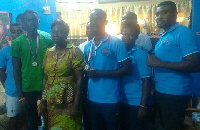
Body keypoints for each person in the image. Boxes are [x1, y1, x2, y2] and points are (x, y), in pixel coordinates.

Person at [147, 1, 200, 130]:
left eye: (164, 12)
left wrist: (160, 63)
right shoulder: (164, 35)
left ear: (175, 14)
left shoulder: (183, 32)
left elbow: (195, 65)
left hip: (175, 93)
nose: (159, 17)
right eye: (157, 14)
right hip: (162, 91)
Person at [84, 9, 131, 130]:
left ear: (106, 22)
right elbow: (86, 65)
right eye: (91, 19)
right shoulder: (88, 45)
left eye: (97, 19)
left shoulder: (116, 43)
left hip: (110, 99)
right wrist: (87, 69)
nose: (94, 22)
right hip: (92, 98)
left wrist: (100, 73)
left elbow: (127, 69)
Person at [10, 9, 54, 130]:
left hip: (46, 86)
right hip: (27, 88)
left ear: (39, 21)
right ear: (24, 23)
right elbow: (16, 69)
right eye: (28, 20)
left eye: (34, 19)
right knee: (31, 121)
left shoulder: (48, 40)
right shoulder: (17, 43)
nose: (32, 23)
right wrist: (20, 95)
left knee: (49, 118)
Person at [41, 19, 85, 129]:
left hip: (69, 100)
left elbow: (80, 80)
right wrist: (43, 100)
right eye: (54, 32)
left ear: (66, 33)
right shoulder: (48, 52)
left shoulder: (75, 52)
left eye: (59, 32)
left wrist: (75, 105)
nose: (56, 35)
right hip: (52, 101)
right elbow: (46, 79)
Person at [120, 22, 151, 130]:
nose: (126, 38)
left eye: (131, 35)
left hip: (136, 102)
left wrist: (143, 106)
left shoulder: (141, 55)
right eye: (124, 34)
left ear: (137, 36)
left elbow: (147, 81)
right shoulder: (120, 54)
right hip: (122, 100)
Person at [0, 23, 23, 130]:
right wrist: (7, 86)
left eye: (20, 31)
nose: (17, 34)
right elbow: (1, 71)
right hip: (13, 91)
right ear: (11, 34)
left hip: (27, 89)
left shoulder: (28, 50)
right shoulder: (5, 51)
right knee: (14, 118)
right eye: (14, 32)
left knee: (26, 117)